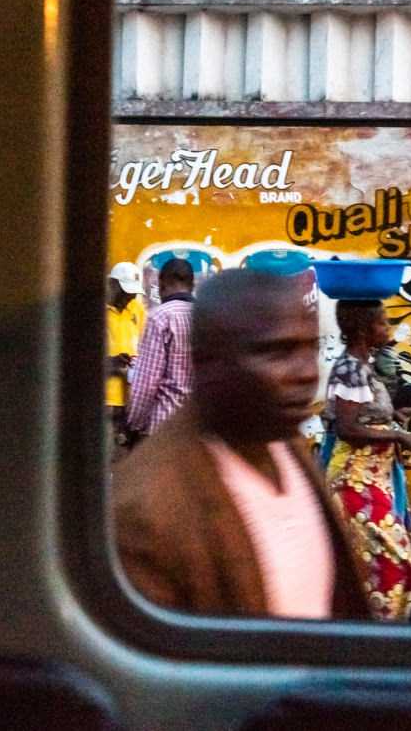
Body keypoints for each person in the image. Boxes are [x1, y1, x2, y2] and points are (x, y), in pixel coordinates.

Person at [113, 269, 371, 619]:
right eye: (277, 352)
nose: (306, 372)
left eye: (309, 347)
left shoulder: (283, 440)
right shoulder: (147, 513)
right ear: (205, 363)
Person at [320, 299, 411, 619]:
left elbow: (363, 415)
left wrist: (394, 416)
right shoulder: (351, 367)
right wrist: (398, 435)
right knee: (392, 561)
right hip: (355, 482)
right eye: (383, 323)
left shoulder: (362, 365)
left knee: (381, 563)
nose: (388, 329)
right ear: (365, 330)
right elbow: (348, 427)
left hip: (372, 479)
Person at [123, 257, 195, 441]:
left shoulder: (160, 317)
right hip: (196, 430)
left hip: (162, 429)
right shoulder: (207, 317)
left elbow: (147, 382)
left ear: (162, 284)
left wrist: (132, 425)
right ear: (192, 285)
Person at [105, 261, 146, 450]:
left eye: (132, 293)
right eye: (125, 292)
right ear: (112, 285)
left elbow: (146, 346)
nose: (129, 297)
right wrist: (110, 362)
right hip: (106, 401)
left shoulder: (137, 312)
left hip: (131, 401)